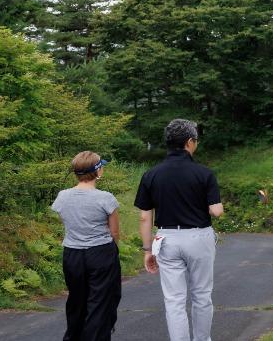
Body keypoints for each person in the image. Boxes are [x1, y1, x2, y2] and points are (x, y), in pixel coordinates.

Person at [134, 119, 224, 341]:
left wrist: (147, 250)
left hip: (166, 238)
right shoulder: (204, 174)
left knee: (174, 300)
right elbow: (216, 211)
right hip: (199, 236)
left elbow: (145, 216)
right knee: (201, 295)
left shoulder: (151, 174)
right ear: (190, 142)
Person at [52, 151, 122, 341]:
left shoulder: (62, 196)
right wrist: (112, 252)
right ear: (97, 171)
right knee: (100, 303)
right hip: (100, 252)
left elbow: (67, 222)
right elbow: (114, 232)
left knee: (77, 301)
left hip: (72, 254)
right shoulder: (105, 198)